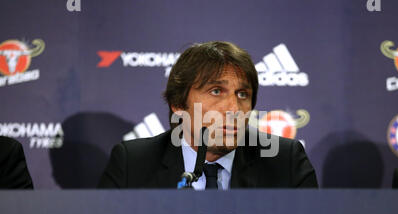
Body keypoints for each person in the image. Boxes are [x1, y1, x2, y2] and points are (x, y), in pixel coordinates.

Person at [98, 41, 318, 189]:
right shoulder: (133, 164)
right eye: (216, 91)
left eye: (242, 94)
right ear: (178, 104)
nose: (234, 108)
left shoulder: (285, 161)